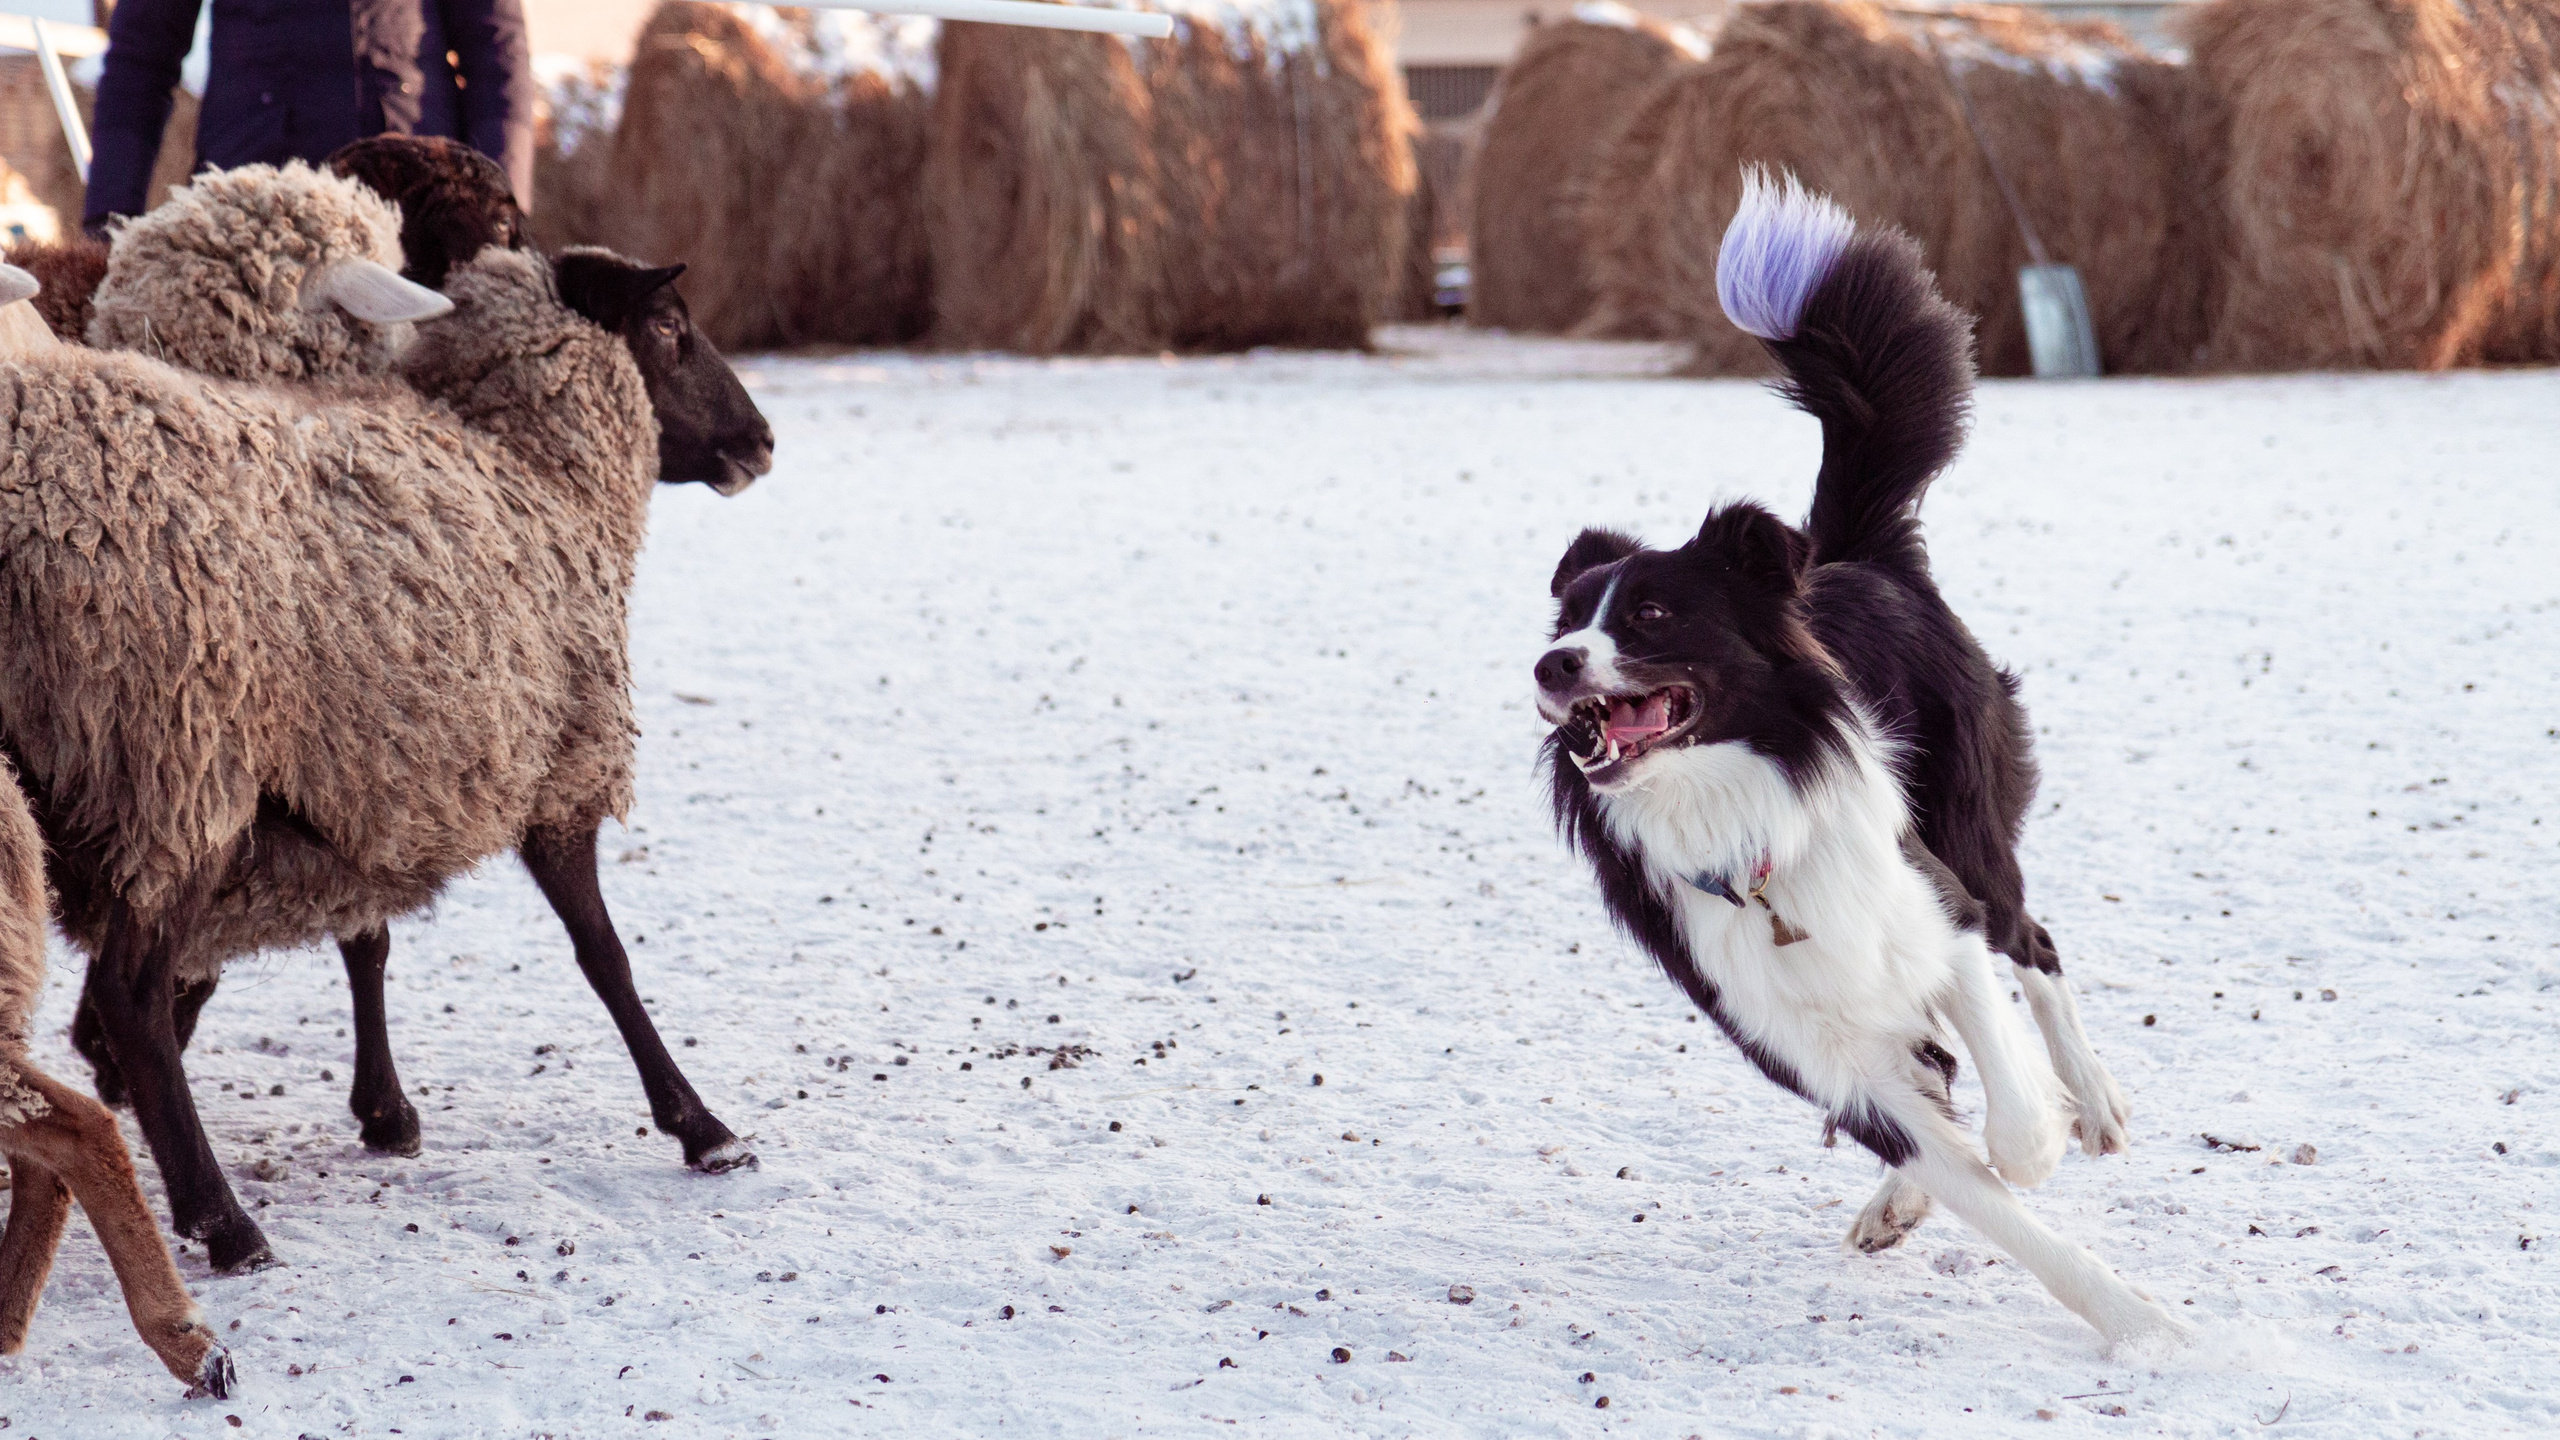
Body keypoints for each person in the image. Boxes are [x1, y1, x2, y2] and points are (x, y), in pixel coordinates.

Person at [82, 0, 534, 233]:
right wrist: (109, 217)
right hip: (248, 210)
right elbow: (141, 58)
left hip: (409, 212)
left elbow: (497, 53)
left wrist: (502, 211)